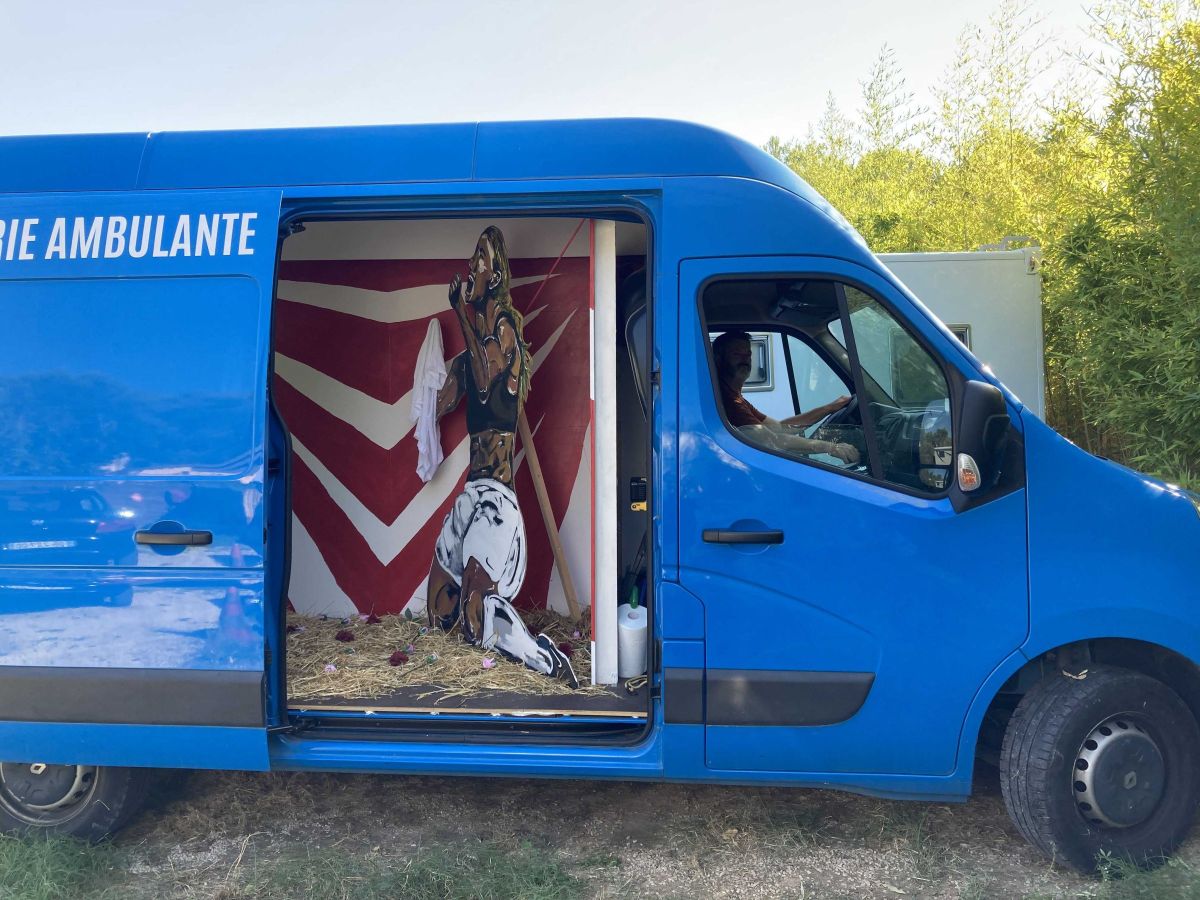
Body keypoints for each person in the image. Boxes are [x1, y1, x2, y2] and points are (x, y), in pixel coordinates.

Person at [424, 226, 577, 687]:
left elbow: (487, 376)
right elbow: (444, 401)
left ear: (494, 276)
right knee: (439, 612)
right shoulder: (469, 352)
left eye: (481, 259)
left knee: (475, 617)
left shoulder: (506, 328)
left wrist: (460, 313)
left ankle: (545, 660)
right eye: (473, 258)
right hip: (472, 491)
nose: (471, 267)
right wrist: (435, 381)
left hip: (497, 500)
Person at [711, 331, 861, 464]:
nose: (745, 359)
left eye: (748, 354)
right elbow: (772, 440)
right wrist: (831, 447)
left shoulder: (737, 398)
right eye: (737, 354)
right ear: (718, 359)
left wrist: (829, 408)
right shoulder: (727, 401)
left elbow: (779, 428)